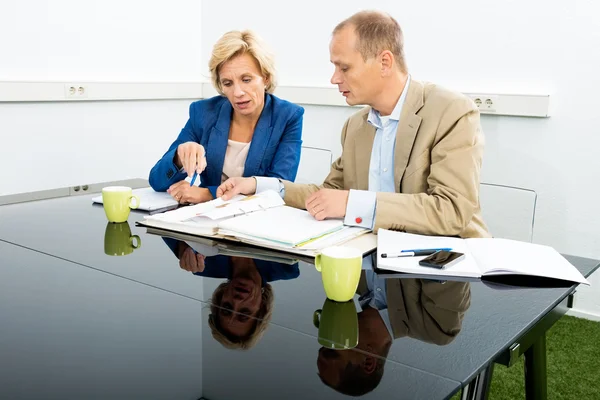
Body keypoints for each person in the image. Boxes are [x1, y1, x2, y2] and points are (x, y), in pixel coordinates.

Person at [217, 10, 490, 239]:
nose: (334, 79)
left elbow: (452, 210)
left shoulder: (451, 111)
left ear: (385, 62)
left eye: (344, 68)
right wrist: (258, 185)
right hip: (374, 265)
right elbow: (327, 195)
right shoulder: (355, 127)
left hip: (445, 271)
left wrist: (352, 203)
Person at [149, 29, 304, 205]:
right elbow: (156, 180)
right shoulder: (203, 112)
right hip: (205, 221)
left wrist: (208, 194)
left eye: (246, 79)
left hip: (257, 221)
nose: (237, 92)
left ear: (266, 78)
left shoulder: (288, 116)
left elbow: (278, 187)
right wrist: (179, 157)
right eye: (227, 83)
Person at [317, 270, 471, 396]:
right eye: (331, 351)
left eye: (322, 345)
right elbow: (447, 255)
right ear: (368, 361)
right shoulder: (437, 328)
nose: (326, 337)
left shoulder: (349, 279)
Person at [163, 238, 300, 350]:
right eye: (244, 313)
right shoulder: (285, 266)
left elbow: (159, 217)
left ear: (220, 299)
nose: (237, 301)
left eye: (227, 307)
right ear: (262, 308)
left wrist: (182, 246)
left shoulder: (203, 264)